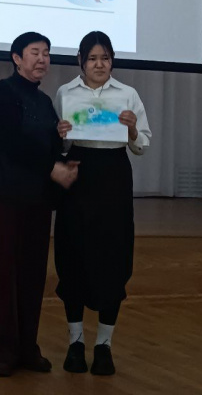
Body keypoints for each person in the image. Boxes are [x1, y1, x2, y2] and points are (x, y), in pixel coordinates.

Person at [0, 31, 79, 378]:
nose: (42, 59)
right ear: (16, 58)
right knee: (4, 273)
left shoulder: (44, 101)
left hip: (36, 199)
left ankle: (27, 349)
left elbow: (47, 148)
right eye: (34, 52)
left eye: (46, 53)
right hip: (4, 196)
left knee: (33, 274)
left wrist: (62, 146)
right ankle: (1, 352)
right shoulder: (3, 93)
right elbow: (10, 143)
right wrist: (52, 168)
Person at [53, 30, 150, 376]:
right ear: (80, 61)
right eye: (92, 58)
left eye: (105, 58)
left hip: (113, 178)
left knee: (113, 256)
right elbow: (59, 147)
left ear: (112, 61)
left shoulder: (128, 94)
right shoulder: (65, 92)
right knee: (73, 253)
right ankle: (76, 343)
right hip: (78, 175)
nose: (99, 64)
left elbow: (142, 145)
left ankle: (104, 346)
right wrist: (61, 137)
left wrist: (133, 130)